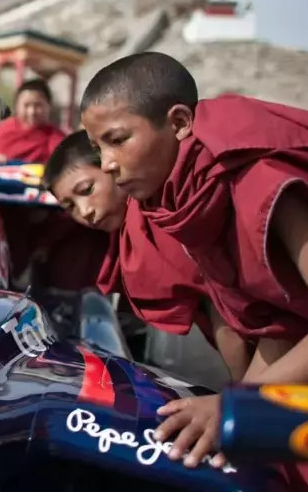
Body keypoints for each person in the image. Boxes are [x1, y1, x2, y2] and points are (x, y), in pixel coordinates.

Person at [78, 52, 308, 486]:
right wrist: (234, 408)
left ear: (178, 123)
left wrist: (235, 405)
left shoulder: (258, 176)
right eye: (99, 148)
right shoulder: (182, 198)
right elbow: (278, 324)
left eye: (117, 140)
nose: (108, 164)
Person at [44, 130, 251, 380]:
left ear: (112, 166)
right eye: (70, 207)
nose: (85, 211)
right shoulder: (132, 233)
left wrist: (241, 399)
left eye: (87, 190)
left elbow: (226, 317)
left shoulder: (168, 215)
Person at [0, 78, 67, 163]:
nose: (31, 112)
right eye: (26, 105)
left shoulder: (57, 137)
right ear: (16, 107)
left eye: (38, 105)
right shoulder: (6, 130)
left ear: (49, 106)